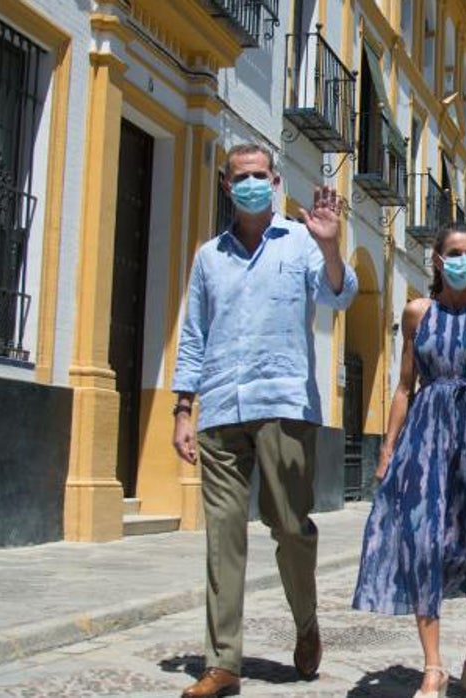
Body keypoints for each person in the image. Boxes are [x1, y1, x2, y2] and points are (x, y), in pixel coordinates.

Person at [170, 143, 358, 698]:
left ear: (275, 182)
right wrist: (184, 407)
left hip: (284, 405)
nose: (251, 183)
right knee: (223, 535)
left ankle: (306, 624)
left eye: (260, 175)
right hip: (222, 407)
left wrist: (330, 247)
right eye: (240, 177)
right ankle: (223, 661)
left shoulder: (301, 242)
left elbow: (339, 294)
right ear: (227, 187)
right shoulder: (209, 257)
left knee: (290, 528)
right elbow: (194, 335)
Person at [351, 221, 466, 698]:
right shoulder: (417, 312)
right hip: (424, 438)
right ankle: (432, 667)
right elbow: (403, 387)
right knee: (423, 544)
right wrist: (388, 449)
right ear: (437, 260)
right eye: (455, 252)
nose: (464, 261)